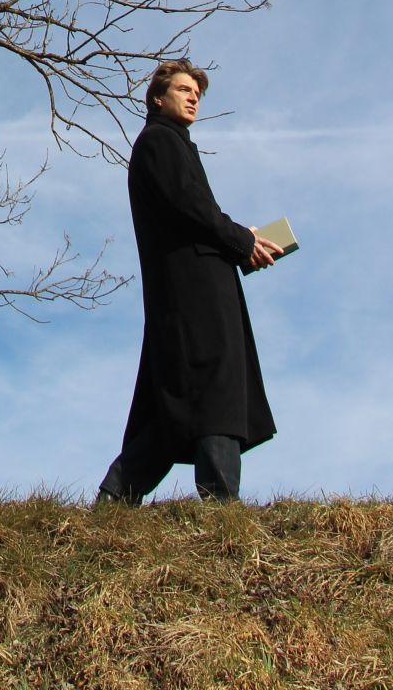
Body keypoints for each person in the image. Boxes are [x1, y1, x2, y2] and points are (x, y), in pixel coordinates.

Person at [96, 59, 280, 504]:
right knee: (214, 385)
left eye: (196, 91)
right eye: (183, 89)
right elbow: (192, 205)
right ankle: (221, 504)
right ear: (158, 99)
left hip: (193, 288)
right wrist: (241, 238)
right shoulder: (159, 141)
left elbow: (194, 211)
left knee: (174, 401)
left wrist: (243, 243)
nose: (193, 95)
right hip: (192, 294)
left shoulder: (171, 143)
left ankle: (116, 499)